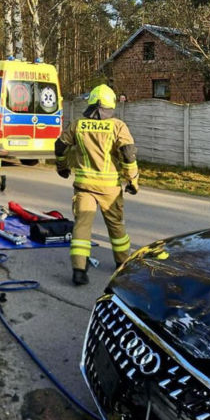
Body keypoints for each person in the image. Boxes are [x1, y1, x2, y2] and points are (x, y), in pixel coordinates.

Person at [55, 84, 139, 286]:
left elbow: (60, 146)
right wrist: (132, 180)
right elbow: (128, 153)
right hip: (110, 188)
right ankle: (122, 264)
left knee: (82, 226)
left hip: (84, 186)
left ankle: (79, 270)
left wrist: (62, 167)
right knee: (116, 227)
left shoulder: (78, 124)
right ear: (108, 106)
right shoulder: (118, 126)